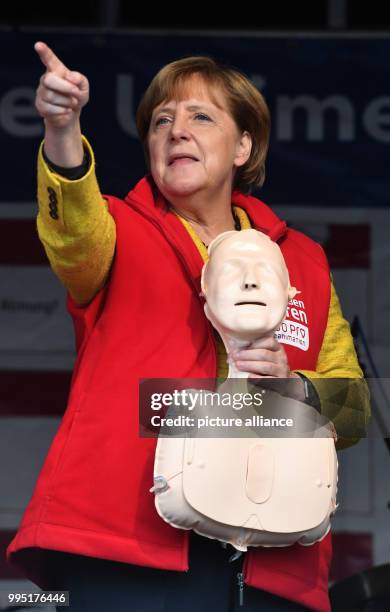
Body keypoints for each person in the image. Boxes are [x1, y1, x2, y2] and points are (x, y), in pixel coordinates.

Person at [6, 41, 370, 611]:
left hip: (273, 559)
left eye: (201, 116)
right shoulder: (117, 229)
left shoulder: (302, 261)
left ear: (244, 145)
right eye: (161, 121)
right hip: (128, 547)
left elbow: (353, 409)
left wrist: (294, 390)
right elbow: (71, 228)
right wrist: (61, 128)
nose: (177, 130)